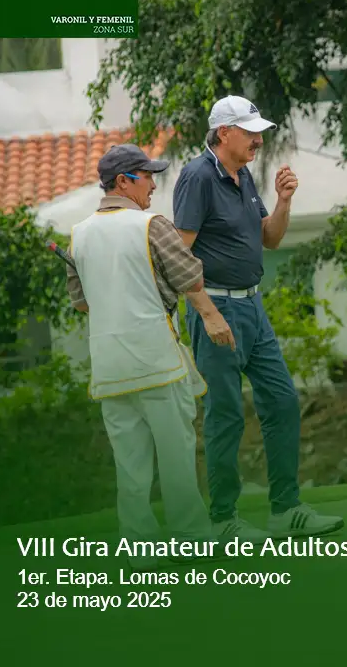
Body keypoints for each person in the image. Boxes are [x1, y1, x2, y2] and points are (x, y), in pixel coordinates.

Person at [172, 95, 343, 541]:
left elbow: (270, 238)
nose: (259, 140)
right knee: (226, 414)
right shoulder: (197, 176)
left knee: (282, 401)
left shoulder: (243, 174)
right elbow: (178, 255)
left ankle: (286, 510)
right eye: (250, 132)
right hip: (217, 308)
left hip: (252, 306)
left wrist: (283, 201)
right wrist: (207, 313)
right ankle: (223, 519)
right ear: (224, 133)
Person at [66, 144, 236, 569]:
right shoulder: (151, 224)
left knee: (130, 462)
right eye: (146, 176)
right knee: (176, 453)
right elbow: (190, 277)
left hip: (109, 366)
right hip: (156, 359)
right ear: (124, 182)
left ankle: (140, 546)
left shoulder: (78, 233)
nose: (153, 185)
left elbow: (81, 302)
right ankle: (190, 537)